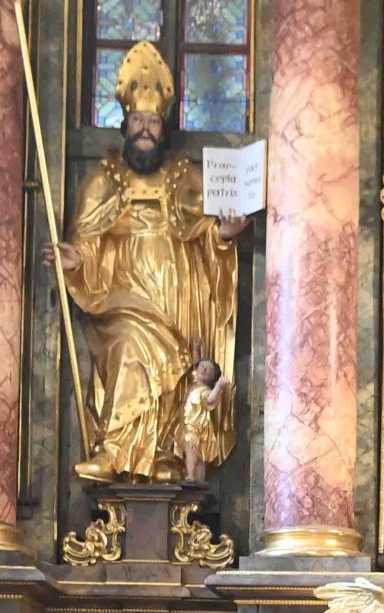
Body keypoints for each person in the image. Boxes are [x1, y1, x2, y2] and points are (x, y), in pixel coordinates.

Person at [52, 40, 245, 483]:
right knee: (131, 346)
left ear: (164, 126)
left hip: (178, 297)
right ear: (124, 124)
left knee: (176, 372)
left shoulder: (186, 177)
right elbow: (87, 242)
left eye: (152, 121)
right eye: (137, 120)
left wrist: (223, 236)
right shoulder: (103, 180)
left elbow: (208, 234)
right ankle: (115, 449)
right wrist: (75, 261)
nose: (144, 128)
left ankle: (164, 455)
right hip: (122, 297)